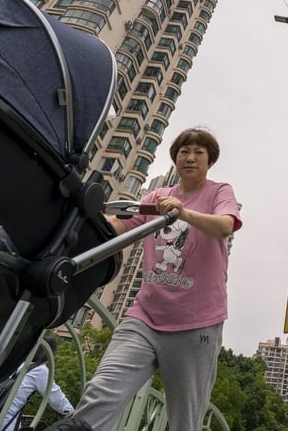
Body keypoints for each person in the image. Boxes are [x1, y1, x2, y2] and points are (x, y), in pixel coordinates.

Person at [71, 128, 242, 431]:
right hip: (145, 317)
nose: (190, 157)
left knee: (184, 420)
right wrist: (87, 219)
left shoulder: (218, 192)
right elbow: (119, 225)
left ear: (209, 160)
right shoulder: (156, 197)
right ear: (175, 158)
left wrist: (184, 212)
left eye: (198, 152)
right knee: (102, 392)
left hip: (196, 323)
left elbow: (225, 226)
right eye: (183, 151)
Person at [0, 334, 74, 431]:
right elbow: (56, 397)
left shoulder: (18, 364)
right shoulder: (40, 370)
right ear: (50, 353)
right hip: (6, 423)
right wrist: (72, 412)